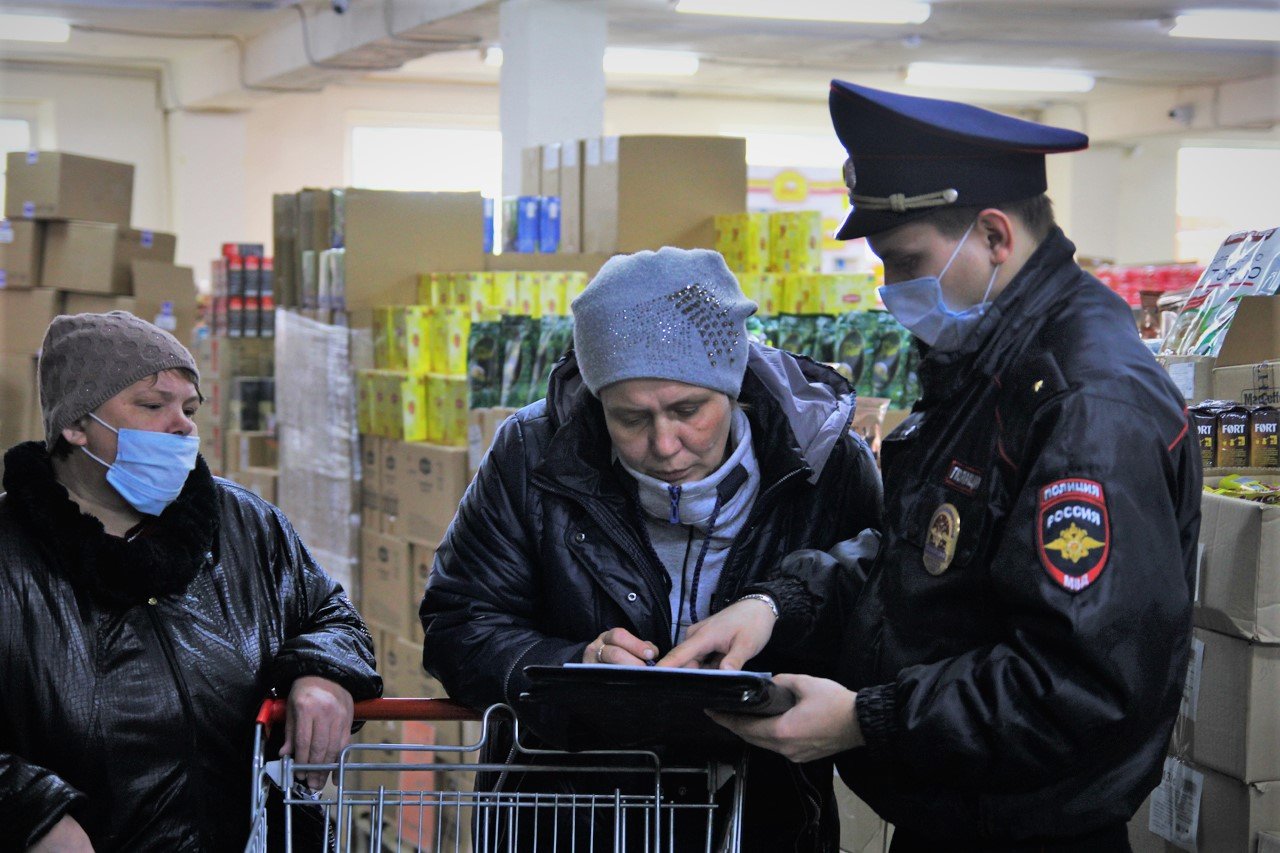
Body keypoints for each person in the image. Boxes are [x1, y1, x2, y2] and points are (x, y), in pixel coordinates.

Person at [663, 82, 1201, 851]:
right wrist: (779, 604)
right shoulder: (989, 365)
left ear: (993, 236)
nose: (891, 292)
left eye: (906, 261)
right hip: (954, 805)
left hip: (1030, 830)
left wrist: (862, 719)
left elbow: (1077, 684)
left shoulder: (1087, 402)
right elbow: (924, 549)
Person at [420, 247, 883, 850]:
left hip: (762, 815)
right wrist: (573, 665)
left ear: (734, 385)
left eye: (689, 410)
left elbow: (873, 616)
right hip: (568, 820)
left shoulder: (826, 467)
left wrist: (777, 619)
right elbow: (458, 624)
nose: (664, 444)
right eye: (629, 418)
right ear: (595, 402)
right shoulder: (532, 456)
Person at [0, 311, 382, 851]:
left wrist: (322, 673)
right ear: (76, 425)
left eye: (190, 408)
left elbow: (330, 614)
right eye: (153, 406)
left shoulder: (243, 524)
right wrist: (33, 813)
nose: (182, 425)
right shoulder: (11, 556)